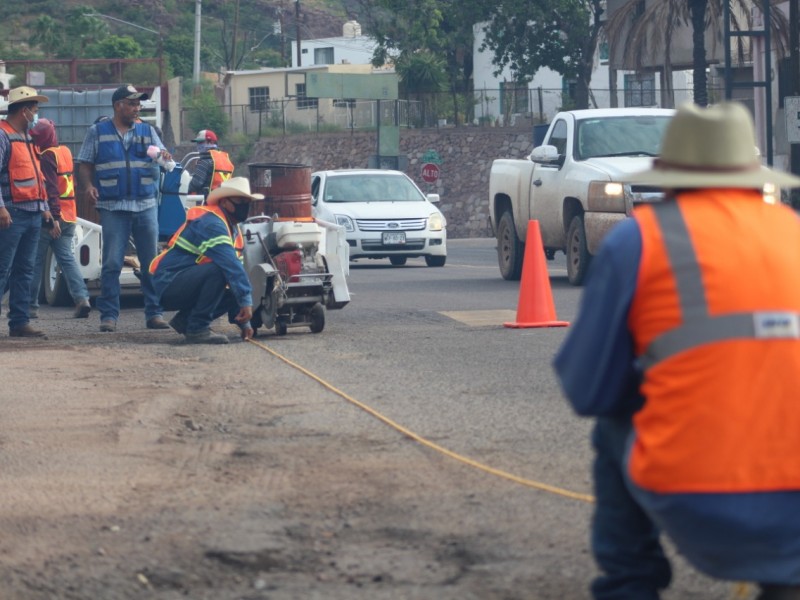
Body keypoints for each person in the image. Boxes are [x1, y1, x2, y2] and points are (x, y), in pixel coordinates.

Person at [553, 101, 800, 600]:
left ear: (669, 177)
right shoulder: (792, 232)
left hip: (699, 496)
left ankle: (630, 585)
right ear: (754, 175)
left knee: (613, 426)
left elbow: (587, 389)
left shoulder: (641, 239)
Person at [75, 84, 172, 332]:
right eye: (132, 103)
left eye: (138, 104)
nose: (137, 107)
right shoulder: (97, 132)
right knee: (111, 263)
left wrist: (165, 157)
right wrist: (88, 186)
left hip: (145, 204)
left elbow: (164, 160)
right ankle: (109, 316)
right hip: (113, 206)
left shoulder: (148, 131)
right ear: (118, 106)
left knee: (151, 262)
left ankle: (154, 314)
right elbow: (84, 163)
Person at [149, 177, 259, 344]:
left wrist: (245, 323)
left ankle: (187, 321)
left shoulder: (233, 229)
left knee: (233, 284)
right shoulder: (212, 224)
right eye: (240, 201)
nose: (245, 206)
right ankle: (197, 328)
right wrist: (246, 301)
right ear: (224, 202)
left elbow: (236, 276)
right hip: (168, 284)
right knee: (221, 271)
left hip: (183, 282)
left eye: (247, 201)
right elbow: (231, 267)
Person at [0, 85, 53, 338]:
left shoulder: (28, 139)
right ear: (23, 111)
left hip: (32, 213)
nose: (37, 115)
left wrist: (44, 209)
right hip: (11, 214)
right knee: (3, 269)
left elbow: (37, 178)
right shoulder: (2, 136)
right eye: (35, 110)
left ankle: (19, 322)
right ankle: (18, 321)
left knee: (25, 269)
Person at [28, 118, 92, 319]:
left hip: (54, 217)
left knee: (35, 261)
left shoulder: (46, 156)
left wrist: (52, 219)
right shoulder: (64, 152)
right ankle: (82, 299)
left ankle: (30, 307)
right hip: (70, 215)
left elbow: (51, 189)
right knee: (67, 259)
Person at [187, 129, 234, 198]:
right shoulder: (226, 160)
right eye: (197, 143)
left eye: (201, 142)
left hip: (207, 201)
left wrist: (182, 190)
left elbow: (196, 184)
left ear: (211, 143)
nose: (198, 145)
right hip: (224, 200)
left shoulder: (205, 161)